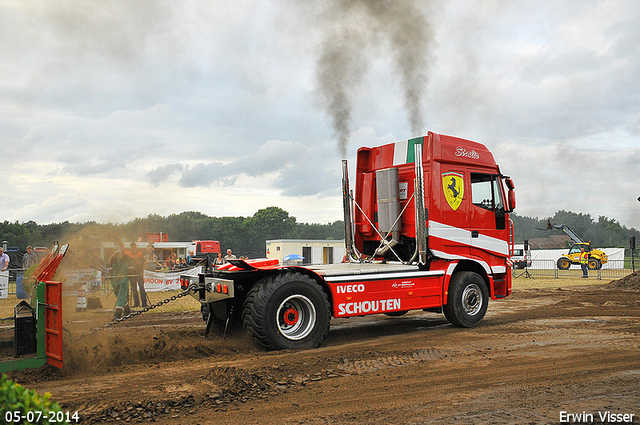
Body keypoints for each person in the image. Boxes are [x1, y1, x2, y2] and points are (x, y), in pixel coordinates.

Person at [110, 243, 132, 319]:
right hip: (115, 280)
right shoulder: (113, 259)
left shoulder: (127, 258)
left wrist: (128, 275)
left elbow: (131, 268)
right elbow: (111, 269)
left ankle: (118, 312)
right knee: (118, 294)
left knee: (121, 294)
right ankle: (127, 310)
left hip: (124, 279)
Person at [126, 242, 148, 308]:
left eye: (134, 247)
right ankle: (136, 302)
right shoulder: (128, 254)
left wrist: (138, 266)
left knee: (141, 287)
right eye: (132, 247)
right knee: (133, 288)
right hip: (132, 273)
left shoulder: (140, 254)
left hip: (139, 273)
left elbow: (143, 262)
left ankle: (144, 302)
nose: (133, 249)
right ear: (131, 248)